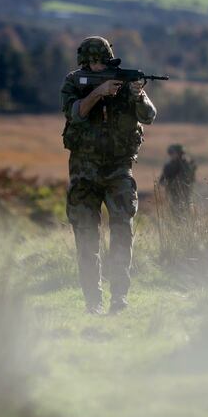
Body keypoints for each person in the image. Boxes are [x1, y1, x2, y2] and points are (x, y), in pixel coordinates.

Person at [60, 36, 156, 314]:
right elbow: (75, 113)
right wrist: (98, 92)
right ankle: (93, 301)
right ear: (86, 61)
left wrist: (137, 95)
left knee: (122, 233)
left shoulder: (127, 83)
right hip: (84, 173)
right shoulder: (74, 82)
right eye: (95, 61)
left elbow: (149, 116)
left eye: (103, 60)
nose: (100, 65)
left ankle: (119, 298)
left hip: (119, 170)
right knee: (87, 239)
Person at [159, 143, 196, 218]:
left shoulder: (186, 165)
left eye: (173, 153)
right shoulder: (169, 166)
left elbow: (182, 181)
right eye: (171, 153)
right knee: (174, 216)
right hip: (172, 196)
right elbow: (162, 180)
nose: (171, 155)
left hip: (184, 195)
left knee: (185, 215)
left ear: (179, 154)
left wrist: (170, 183)